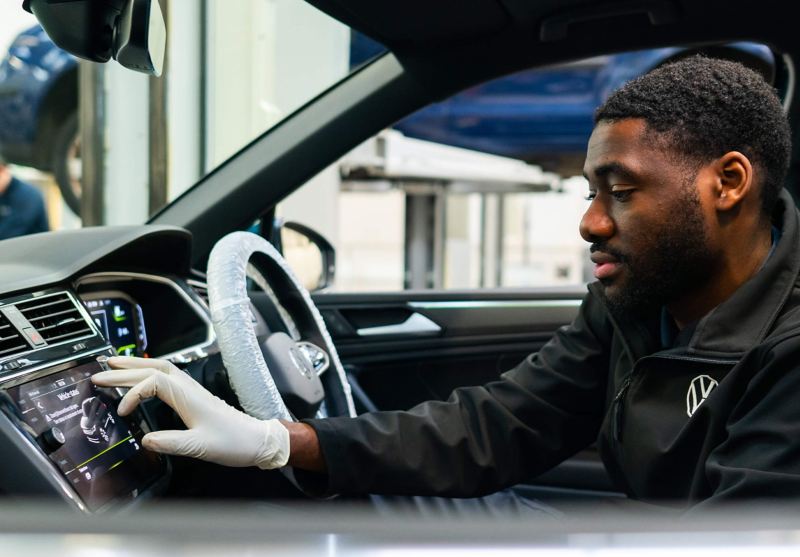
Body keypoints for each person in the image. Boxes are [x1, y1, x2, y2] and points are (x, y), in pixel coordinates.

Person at [92, 55, 800, 509]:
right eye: (589, 191)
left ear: (728, 183)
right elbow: (499, 424)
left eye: (620, 190)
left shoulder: (787, 349)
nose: (590, 223)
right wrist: (281, 442)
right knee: (379, 506)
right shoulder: (641, 300)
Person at [0, 153, 49, 240]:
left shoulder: (28, 195)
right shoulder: (2, 194)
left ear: (4, 170)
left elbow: (10, 233)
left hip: (33, 250)